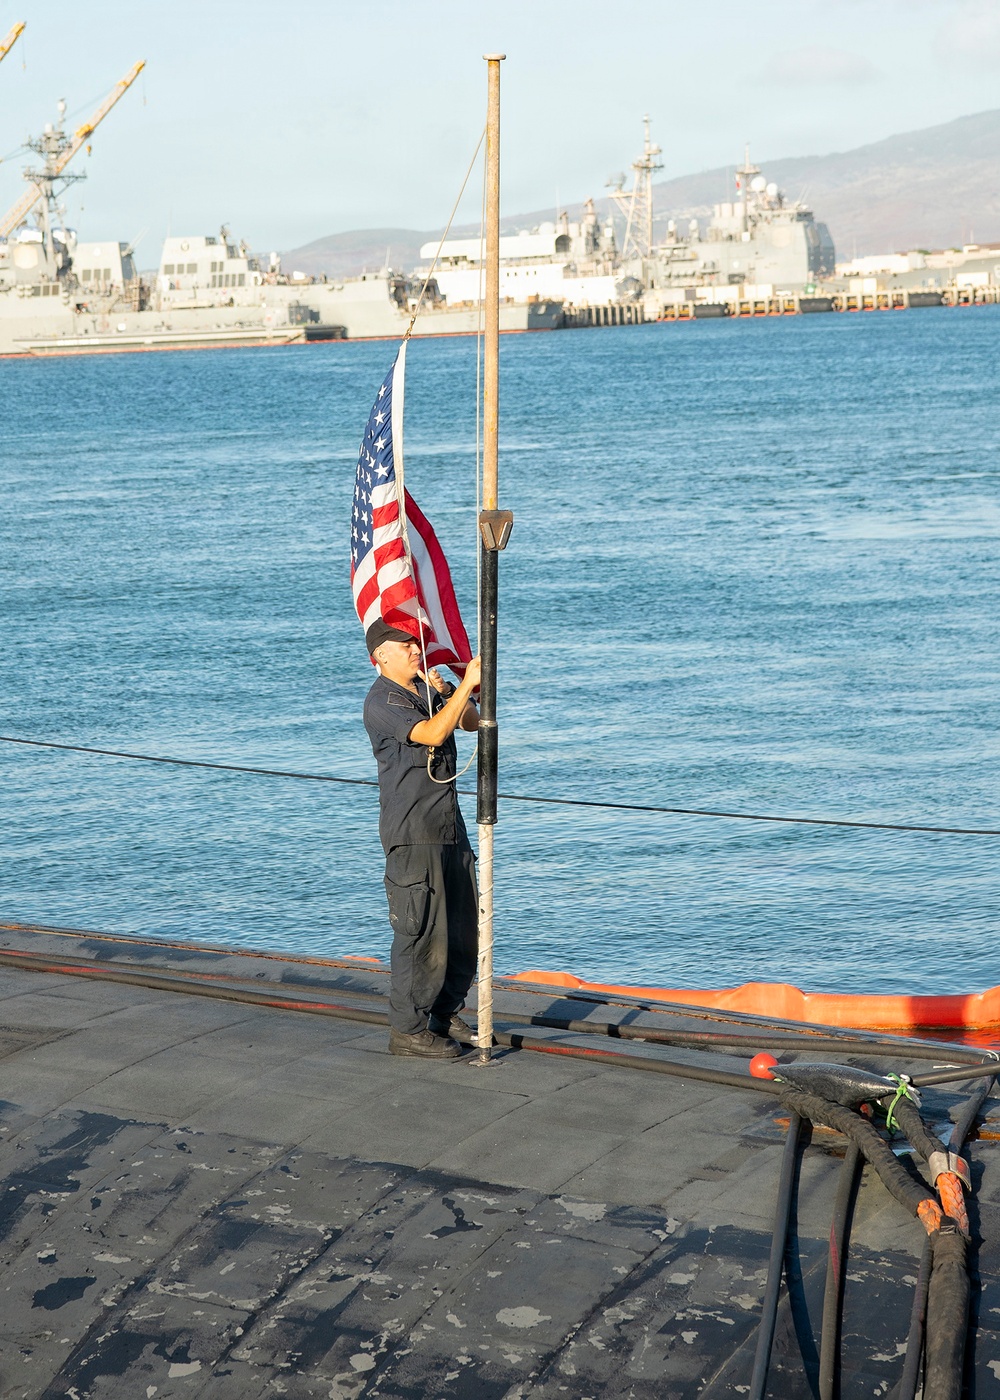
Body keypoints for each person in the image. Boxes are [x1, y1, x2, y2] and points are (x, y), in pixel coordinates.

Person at [362, 620, 482, 1059]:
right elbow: (432, 733)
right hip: (413, 831)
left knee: (462, 926)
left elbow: (468, 723)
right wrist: (467, 680)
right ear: (382, 656)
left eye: (415, 642)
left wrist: (455, 690)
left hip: (447, 824)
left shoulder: (423, 690)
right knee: (420, 931)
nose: (416, 648)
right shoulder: (382, 701)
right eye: (405, 644)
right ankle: (408, 1030)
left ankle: (443, 1012)